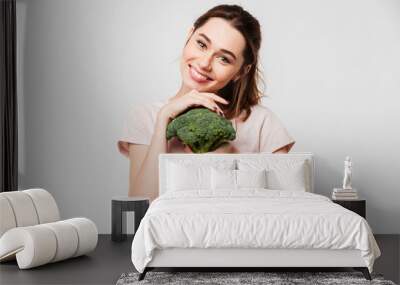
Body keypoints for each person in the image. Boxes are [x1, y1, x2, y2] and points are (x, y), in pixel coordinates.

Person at [117, 4, 295, 201]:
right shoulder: (146, 117)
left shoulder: (262, 123)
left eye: (224, 59)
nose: (204, 64)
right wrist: (162, 123)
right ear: (189, 35)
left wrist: (226, 159)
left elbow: (284, 207)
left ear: (242, 71)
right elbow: (139, 210)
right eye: (202, 44)